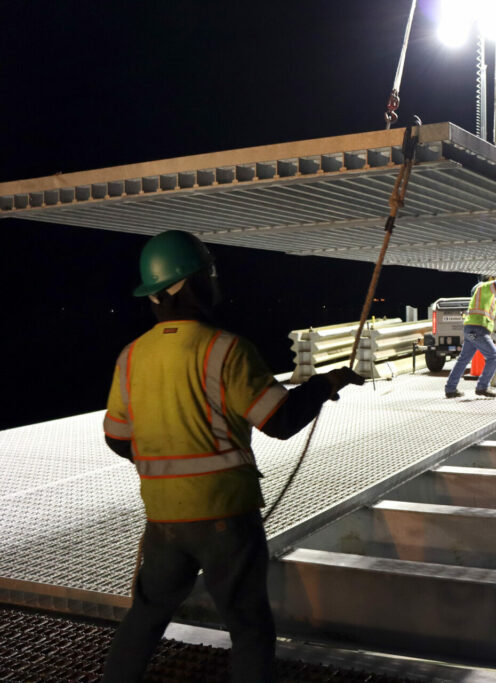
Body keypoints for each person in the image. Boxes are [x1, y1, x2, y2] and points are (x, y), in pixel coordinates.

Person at [102, 230, 364, 682]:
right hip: (227, 518)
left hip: (164, 520)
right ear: (195, 284)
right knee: (248, 627)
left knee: (145, 616)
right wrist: (325, 385)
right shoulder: (225, 350)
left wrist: (168, 460)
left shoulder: (131, 357)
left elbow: (118, 439)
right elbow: (279, 421)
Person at [444, 275, 496, 399]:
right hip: (478, 330)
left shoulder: (482, 295)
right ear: (490, 279)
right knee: (494, 357)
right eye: (494, 278)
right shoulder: (484, 288)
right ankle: (482, 387)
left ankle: (450, 389)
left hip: (472, 330)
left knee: (463, 360)